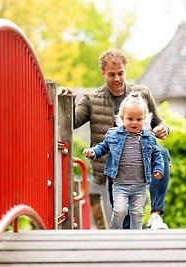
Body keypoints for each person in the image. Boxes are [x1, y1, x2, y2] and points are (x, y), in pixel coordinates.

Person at [62, 47, 170, 229]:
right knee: (123, 216)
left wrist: (162, 129)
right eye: (112, 74)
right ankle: (128, 246)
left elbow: (160, 123)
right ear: (103, 72)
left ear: (125, 69)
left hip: (140, 160)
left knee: (162, 152)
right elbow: (72, 122)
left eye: (121, 73)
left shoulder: (142, 94)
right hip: (113, 167)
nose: (117, 78)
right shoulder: (91, 99)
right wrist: (67, 101)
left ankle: (156, 215)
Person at [83, 92, 164, 229]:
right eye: (130, 118)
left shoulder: (149, 138)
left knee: (137, 213)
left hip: (140, 184)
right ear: (122, 118)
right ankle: (114, 232)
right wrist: (93, 152)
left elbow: (157, 154)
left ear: (144, 119)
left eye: (139, 119)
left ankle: (135, 238)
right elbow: (102, 148)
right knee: (120, 211)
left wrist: (158, 168)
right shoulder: (113, 134)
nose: (134, 122)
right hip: (120, 184)